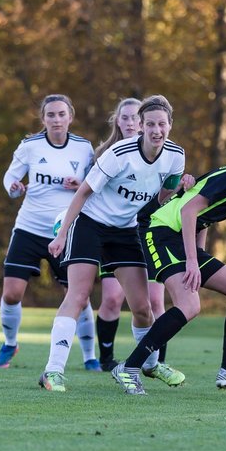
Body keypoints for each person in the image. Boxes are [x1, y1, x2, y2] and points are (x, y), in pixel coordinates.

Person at [111, 129, 226, 397]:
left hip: (179, 238)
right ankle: (130, 367)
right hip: (161, 233)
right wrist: (193, 262)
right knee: (189, 305)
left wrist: (198, 257)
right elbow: (188, 210)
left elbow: (203, 217)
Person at [39, 95, 187, 392]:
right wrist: (62, 233)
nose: (156, 130)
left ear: (170, 125)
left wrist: (182, 189)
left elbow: (161, 199)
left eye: (162, 124)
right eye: (150, 124)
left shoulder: (176, 156)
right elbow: (82, 193)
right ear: (141, 127)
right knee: (78, 296)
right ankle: (52, 372)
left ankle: (150, 364)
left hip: (126, 232)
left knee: (143, 308)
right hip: (90, 225)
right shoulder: (120, 152)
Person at [0, 94, 98, 370]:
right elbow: (10, 177)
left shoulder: (83, 148)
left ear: (70, 116)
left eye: (61, 114)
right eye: (51, 115)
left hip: (65, 230)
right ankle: (10, 343)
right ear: (43, 119)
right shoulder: (30, 146)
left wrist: (80, 184)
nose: (56, 119)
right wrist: (13, 188)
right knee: (12, 293)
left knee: (78, 295)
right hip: (28, 227)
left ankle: (90, 357)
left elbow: (94, 185)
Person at [92, 97, 171, 371]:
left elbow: (168, 193)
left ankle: (156, 362)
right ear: (117, 120)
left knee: (155, 300)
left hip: (147, 233)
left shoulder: (163, 152)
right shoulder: (106, 152)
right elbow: (88, 191)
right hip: (112, 233)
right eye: (124, 117)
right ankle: (105, 359)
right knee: (112, 298)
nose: (130, 123)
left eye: (135, 118)